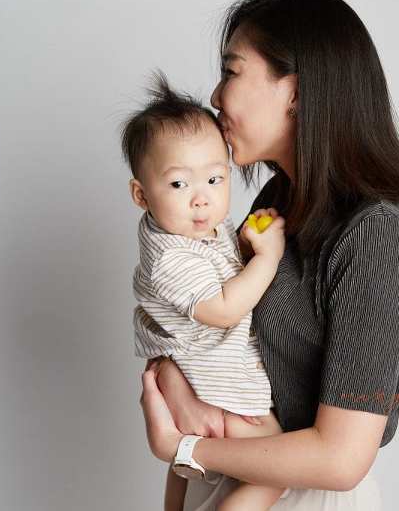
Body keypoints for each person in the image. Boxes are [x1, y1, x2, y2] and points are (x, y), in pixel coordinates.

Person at [139, 0, 399, 510]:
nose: (215, 95)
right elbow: (203, 322)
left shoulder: (377, 234)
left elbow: (341, 459)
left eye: (231, 72)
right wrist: (174, 387)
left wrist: (183, 446)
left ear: (295, 93)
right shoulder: (279, 200)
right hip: (223, 472)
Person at [122, 72, 293, 509]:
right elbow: (223, 309)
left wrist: (243, 245)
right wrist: (267, 257)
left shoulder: (194, 230)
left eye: (215, 179)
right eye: (179, 184)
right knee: (278, 469)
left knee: (184, 463)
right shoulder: (168, 256)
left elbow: (218, 269)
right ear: (141, 194)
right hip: (217, 387)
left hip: (197, 382)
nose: (201, 198)